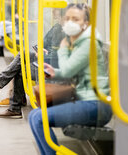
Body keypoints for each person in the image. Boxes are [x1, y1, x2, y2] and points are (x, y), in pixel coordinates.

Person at [28, 4, 112, 155]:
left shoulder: (88, 43)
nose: (70, 23)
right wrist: (54, 72)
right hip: (85, 101)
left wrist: (64, 49)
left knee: (39, 118)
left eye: (75, 19)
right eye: (67, 19)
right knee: (34, 115)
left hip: (96, 105)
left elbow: (68, 70)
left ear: (86, 22)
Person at [0, 9, 66, 118]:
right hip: (45, 61)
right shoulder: (57, 28)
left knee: (21, 69)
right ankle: (2, 89)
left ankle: (9, 100)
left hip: (54, 67)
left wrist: (46, 53)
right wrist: (38, 49)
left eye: (58, 16)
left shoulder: (70, 34)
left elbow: (63, 56)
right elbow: (41, 43)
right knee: (23, 55)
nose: (55, 18)